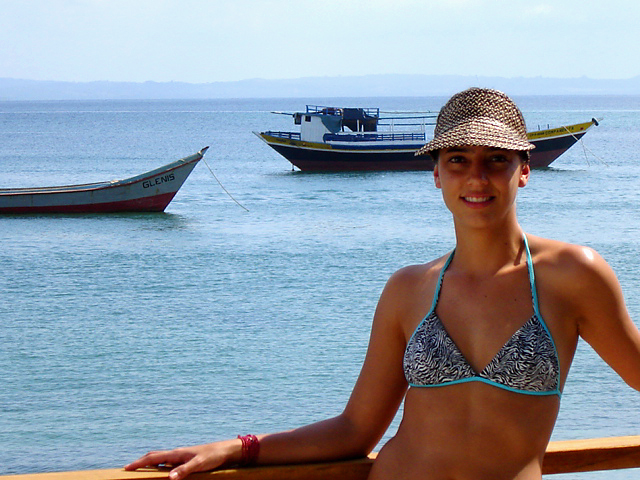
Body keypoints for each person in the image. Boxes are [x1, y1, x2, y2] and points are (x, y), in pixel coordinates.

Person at [125, 88, 640, 480]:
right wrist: (237, 448)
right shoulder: (409, 289)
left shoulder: (572, 274)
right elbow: (356, 430)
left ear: (523, 170)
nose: (476, 178)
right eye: (457, 160)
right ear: (436, 173)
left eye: (496, 160)